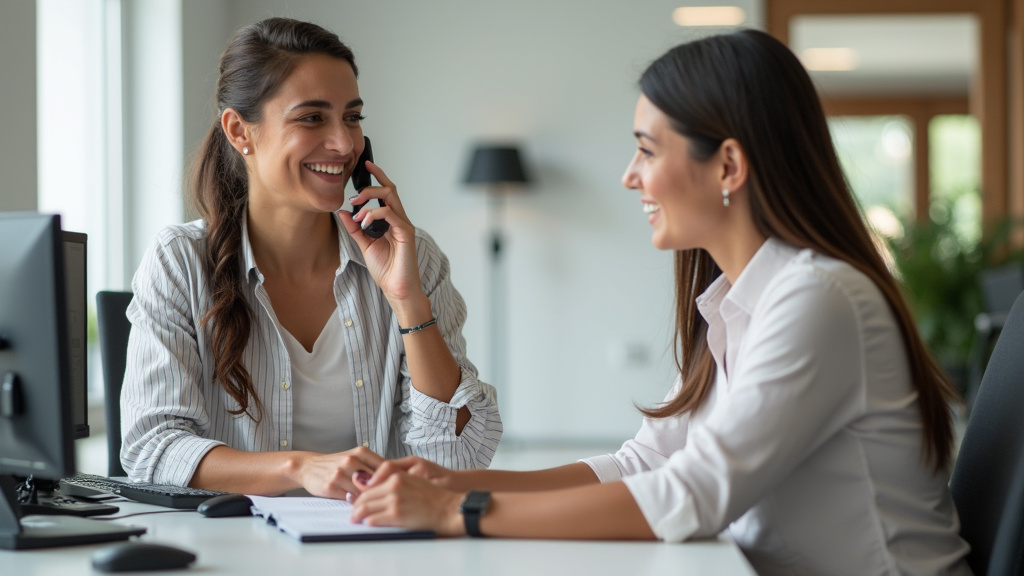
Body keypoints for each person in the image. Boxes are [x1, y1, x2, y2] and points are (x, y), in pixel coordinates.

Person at [348, 29, 972, 576]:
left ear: (728, 166)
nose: (630, 175)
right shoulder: (735, 304)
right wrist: (459, 482)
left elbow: (693, 495)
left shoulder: (819, 299)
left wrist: (459, 511)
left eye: (647, 150)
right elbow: (644, 462)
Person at [120, 17, 502, 498]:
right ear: (239, 131)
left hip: (377, 535)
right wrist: (300, 469)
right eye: (312, 118)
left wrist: (408, 301)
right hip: (233, 538)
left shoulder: (412, 257)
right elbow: (153, 449)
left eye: (353, 118)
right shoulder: (180, 262)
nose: (344, 144)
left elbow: (458, 458)